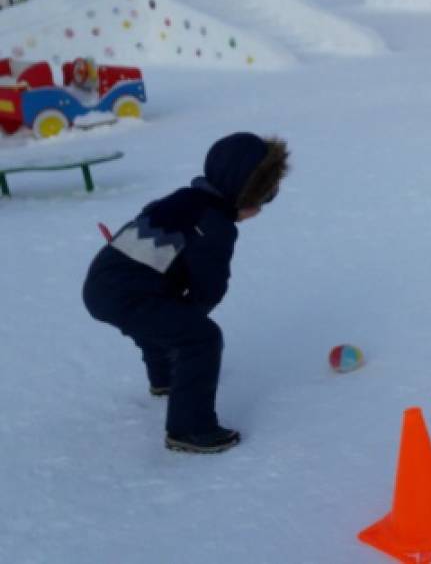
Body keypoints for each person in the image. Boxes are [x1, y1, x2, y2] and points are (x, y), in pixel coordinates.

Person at [83, 132, 289, 454]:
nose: (265, 204)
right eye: (265, 196)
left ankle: (165, 378)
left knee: (161, 317)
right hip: (127, 293)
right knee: (200, 338)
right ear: (245, 195)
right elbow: (210, 287)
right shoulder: (216, 225)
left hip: (103, 283)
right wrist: (192, 318)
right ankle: (190, 429)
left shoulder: (183, 200)